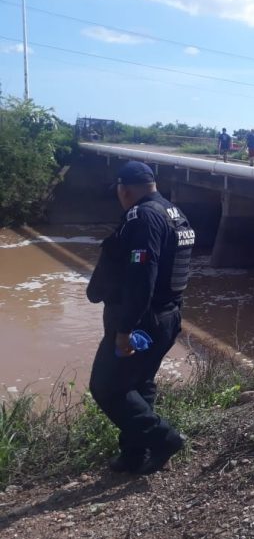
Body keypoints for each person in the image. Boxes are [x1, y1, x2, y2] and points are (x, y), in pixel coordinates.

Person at [87, 161, 195, 474]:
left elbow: (141, 277)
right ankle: (133, 455)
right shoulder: (175, 213)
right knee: (139, 383)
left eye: (118, 192)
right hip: (167, 315)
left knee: (107, 387)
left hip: (141, 322)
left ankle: (164, 439)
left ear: (125, 190)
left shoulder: (143, 217)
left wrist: (125, 329)